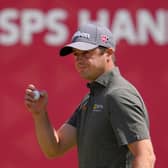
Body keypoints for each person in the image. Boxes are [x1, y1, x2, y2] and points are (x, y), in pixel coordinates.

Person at [25, 23, 156, 168]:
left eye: (86, 52)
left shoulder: (118, 95)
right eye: (76, 54)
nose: (79, 59)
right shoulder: (92, 98)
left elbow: (146, 156)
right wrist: (40, 114)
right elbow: (55, 148)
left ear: (108, 53)